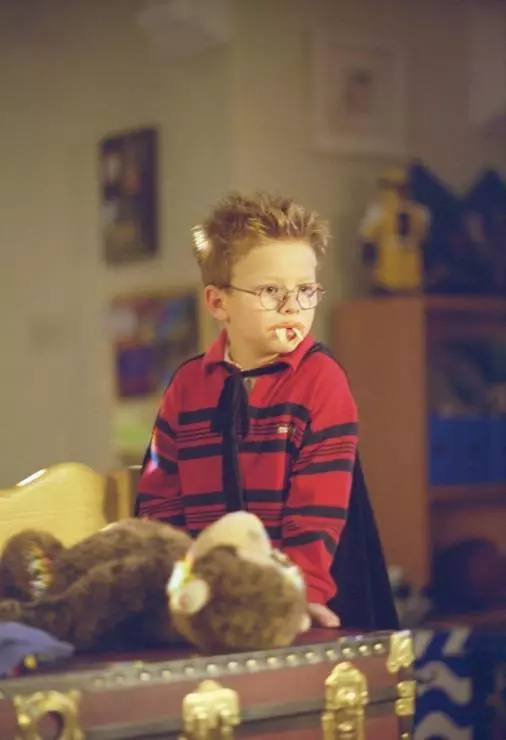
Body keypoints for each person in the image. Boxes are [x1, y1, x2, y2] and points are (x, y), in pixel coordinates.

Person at [135, 191, 397, 631]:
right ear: (218, 303)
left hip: (294, 603)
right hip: (201, 599)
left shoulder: (321, 380)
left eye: (306, 290)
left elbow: (317, 510)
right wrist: (173, 589)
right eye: (271, 290)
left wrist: (297, 597)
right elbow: (161, 501)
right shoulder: (187, 385)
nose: (293, 306)